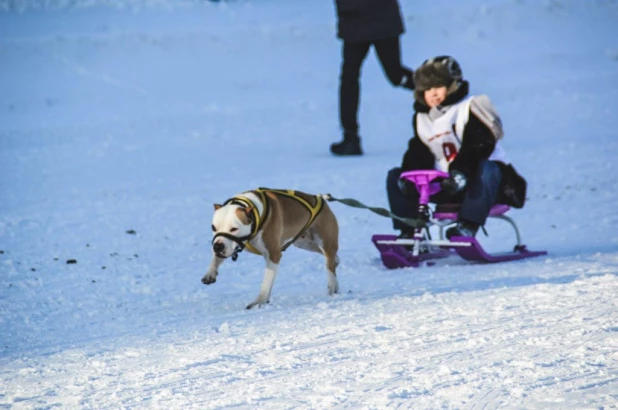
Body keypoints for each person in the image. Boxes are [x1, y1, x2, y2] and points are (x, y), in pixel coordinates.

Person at [386, 56, 527, 239]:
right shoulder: (423, 118)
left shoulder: (472, 106)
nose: (433, 94)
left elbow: (479, 145)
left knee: (487, 168)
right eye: (427, 89)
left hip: (485, 184)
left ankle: (467, 226)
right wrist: (410, 177)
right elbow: (418, 151)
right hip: (446, 185)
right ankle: (410, 230)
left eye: (438, 87)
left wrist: (460, 173)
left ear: (452, 86)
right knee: (396, 176)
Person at [330, 0, 416, 156]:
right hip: (360, 22)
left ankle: (350, 138)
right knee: (353, 77)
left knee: (392, 75)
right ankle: (350, 137)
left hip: (373, 20)